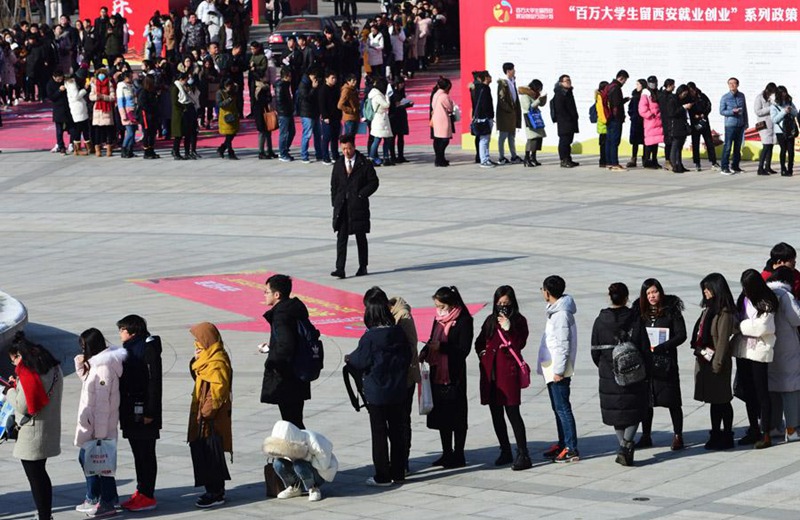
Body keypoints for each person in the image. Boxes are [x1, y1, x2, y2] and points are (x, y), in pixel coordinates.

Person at [345, 297, 411, 486]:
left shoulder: (370, 337)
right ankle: (399, 472)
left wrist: (349, 359)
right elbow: (408, 355)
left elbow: (361, 360)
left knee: (379, 433)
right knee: (397, 431)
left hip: (377, 392)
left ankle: (382, 475)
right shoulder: (398, 332)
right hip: (397, 389)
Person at [5, 332, 63, 520]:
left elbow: (21, 404)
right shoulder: (53, 368)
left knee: (36, 477)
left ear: (20, 355)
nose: (14, 365)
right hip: (49, 427)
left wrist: (9, 390)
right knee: (41, 474)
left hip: (32, 432)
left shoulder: (28, 373)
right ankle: (46, 515)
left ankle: (45, 516)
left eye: (13, 360)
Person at [590, 283, 650, 466]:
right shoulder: (635, 319)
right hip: (634, 372)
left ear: (610, 296)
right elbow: (644, 347)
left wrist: (606, 366)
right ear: (626, 297)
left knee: (617, 414)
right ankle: (626, 446)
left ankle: (623, 447)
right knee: (635, 411)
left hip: (609, 373)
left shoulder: (600, 320)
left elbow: (595, 352)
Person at [362, 286, 420, 474]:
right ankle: (397, 465)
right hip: (389, 379)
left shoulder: (403, 317)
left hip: (403, 378)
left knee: (401, 422)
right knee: (394, 424)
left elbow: (411, 347)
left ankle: (402, 462)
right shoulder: (383, 319)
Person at [474, 285, 531, 470]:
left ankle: (523, 453)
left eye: (506, 303)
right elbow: (479, 342)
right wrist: (483, 354)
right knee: (496, 414)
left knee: (513, 413)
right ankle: (505, 449)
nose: (502, 306)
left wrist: (509, 328)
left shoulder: (519, 321)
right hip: (491, 375)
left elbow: (519, 343)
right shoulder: (490, 320)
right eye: (499, 303)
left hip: (508, 374)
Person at [419, 286, 473, 469]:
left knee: (457, 416)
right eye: (437, 306)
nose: (439, 310)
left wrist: (441, 348)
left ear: (452, 304)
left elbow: (463, 350)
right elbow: (431, 339)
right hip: (437, 374)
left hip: (454, 375)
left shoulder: (464, 320)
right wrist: (425, 351)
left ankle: (459, 454)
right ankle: (446, 452)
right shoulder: (438, 319)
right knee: (442, 416)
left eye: (442, 306)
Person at [74, 328, 126, 518]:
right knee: (99, 463)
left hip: (98, 427)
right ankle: (103, 498)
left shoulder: (103, 367)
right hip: (94, 425)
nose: (82, 349)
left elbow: (103, 404)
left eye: (84, 346)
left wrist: (100, 434)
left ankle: (103, 501)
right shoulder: (98, 363)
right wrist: (81, 363)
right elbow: (88, 382)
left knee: (98, 463)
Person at [633, 279, 687, 451]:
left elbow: (681, 335)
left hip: (666, 362)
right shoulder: (640, 312)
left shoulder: (671, 310)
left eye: (654, 292)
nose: (652, 296)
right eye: (648, 293)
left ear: (660, 292)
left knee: (673, 400)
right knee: (646, 400)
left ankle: (678, 435)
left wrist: (663, 346)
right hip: (647, 363)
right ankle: (646, 435)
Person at [117, 314, 163, 512]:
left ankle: (148, 495)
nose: (120, 333)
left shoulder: (147, 348)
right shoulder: (129, 349)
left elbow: (154, 382)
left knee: (146, 453)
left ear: (132, 331)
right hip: (131, 411)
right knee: (138, 453)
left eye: (122, 330)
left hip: (144, 412)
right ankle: (141, 490)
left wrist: (150, 411)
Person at [187, 322, 232, 508]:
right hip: (202, 417)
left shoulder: (217, 361)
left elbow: (218, 390)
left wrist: (205, 413)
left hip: (211, 419)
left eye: (198, 339)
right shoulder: (205, 359)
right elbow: (198, 377)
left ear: (207, 340)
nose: (196, 343)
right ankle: (211, 489)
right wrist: (195, 360)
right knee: (203, 453)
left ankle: (216, 492)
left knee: (211, 454)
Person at [260, 274, 312, 428]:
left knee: (292, 422)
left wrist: (271, 362)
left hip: (287, 377)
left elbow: (286, 346)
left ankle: (301, 444)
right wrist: (271, 348)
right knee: (295, 419)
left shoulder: (281, 315)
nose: (264, 295)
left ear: (277, 295)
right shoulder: (293, 309)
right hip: (299, 372)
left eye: (266, 292)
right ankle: (300, 443)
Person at [691, 273, 736, 450]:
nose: (705, 292)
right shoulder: (708, 309)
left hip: (718, 362)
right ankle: (715, 433)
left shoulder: (724, 312)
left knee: (723, 400)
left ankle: (727, 434)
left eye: (708, 289)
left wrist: (717, 364)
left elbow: (723, 341)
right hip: (706, 360)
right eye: (704, 289)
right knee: (713, 400)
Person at [733, 269, 777, 449]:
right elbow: (736, 320)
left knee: (761, 392)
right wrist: (745, 326)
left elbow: (762, 328)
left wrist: (741, 326)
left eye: (747, 287)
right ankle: (753, 429)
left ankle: (766, 432)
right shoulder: (743, 299)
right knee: (748, 391)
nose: (745, 290)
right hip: (743, 351)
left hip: (759, 351)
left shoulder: (767, 301)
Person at [538, 275, 579, 462]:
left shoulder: (561, 314)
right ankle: (563, 443)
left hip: (558, 370)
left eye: (543, 289)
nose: (542, 292)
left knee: (563, 408)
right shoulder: (555, 310)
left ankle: (571, 448)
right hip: (552, 367)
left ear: (548, 292)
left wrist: (559, 371)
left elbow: (563, 344)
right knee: (557, 408)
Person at [330, 135, 379, 278]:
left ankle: (363, 266)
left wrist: (361, 195)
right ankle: (340, 268)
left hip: (358, 207)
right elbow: (334, 185)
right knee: (341, 238)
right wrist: (335, 202)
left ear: (354, 147)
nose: (346, 151)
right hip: (342, 207)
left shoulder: (364, 163)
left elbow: (374, 182)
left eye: (349, 148)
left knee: (360, 237)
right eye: (344, 149)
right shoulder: (339, 164)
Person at [765, 267, 800, 443]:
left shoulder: (765, 293)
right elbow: (796, 318)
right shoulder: (786, 296)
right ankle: (792, 429)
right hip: (787, 347)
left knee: (773, 389)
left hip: (770, 346)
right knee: (790, 389)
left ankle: (774, 426)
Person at [263, 420, 337, 501]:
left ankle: (313, 488)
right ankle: (294, 487)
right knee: (278, 463)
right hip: (299, 471)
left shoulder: (315, 441)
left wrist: (306, 456)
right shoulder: (291, 439)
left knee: (299, 464)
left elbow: (324, 465)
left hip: (319, 473)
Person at [719, 77, 748, 175]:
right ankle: (724, 167)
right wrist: (732, 111)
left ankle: (735, 166)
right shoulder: (725, 97)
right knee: (727, 146)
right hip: (730, 125)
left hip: (740, 124)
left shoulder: (741, 96)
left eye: (734, 83)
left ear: (737, 85)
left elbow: (745, 110)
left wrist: (746, 122)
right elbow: (721, 111)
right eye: (730, 83)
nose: (732, 85)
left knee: (737, 147)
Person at [687, 82, 718, 171]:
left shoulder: (702, 96)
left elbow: (709, 105)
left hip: (704, 121)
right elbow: (687, 110)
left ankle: (713, 162)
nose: (692, 92)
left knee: (709, 142)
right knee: (695, 143)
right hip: (694, 123)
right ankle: (697, 163)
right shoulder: (688, 98)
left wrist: (704, 114)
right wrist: (694, 115)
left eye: (692, 90)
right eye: (690, 91)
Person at [495, 62, 522, 164]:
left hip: (512, 114)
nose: (514, 71)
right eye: (513, 69)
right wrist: (509, 110)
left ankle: (514, 156)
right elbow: (501, 100)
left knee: (512, 136)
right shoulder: (503, 83)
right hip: (505, 115)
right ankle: (501, 157)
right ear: (508, 71)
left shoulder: (512, 82)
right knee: (503, 136)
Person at [552, 74, 579, 168]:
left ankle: (568, 159)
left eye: (569, 80)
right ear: (561, 83)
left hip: (570, 121)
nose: (569, 82)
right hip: (564, 122)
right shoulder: (560, 93)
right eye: (566, 80)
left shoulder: (568, 92)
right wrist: (569, 118)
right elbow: (560, 109)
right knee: (564, 141)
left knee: (568, 141)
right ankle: (563, 160)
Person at [604, 69, 629, 171]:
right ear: (621, 78)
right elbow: (616, 105)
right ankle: (615, 163)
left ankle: (609, 162)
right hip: (615, 119)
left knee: (609, 141)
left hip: (609, 118)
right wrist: (620, 117)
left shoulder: (609, 86)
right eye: (625, 80)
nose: (624, 83)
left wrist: (624, 100)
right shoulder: (616, 88)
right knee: (615, 141)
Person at [518, 78, 546, 167]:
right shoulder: (525, 96)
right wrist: (538, 100)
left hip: (536, 117)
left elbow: (541, 104)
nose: (539, 90)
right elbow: (528, 107)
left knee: (538, 138)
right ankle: (527, 158)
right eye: (539, 88)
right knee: (531, 139)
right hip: (529, 118)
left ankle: (533, 157)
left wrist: (543, 98)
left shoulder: (534, 94)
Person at [771, 85, 798, 176]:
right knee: (783, 149)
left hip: (790, 130)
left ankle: (790, 168)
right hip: (780, 131)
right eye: (782, 93)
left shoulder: (789, 102)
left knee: (791, 150)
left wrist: (791, 110)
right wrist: (784, 112)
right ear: (778, 94)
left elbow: (796, 113)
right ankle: (783, 169)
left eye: (785, 92)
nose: (784, 94)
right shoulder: (774, 105)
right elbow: (774, 119)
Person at [297, 70, 322, 164]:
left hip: (315, 113)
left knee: (318, 134)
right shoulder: (303, 84)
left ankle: (319, 154)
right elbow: (306, 98)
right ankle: (304, 155)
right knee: (307, 135)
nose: (315, 79)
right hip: (307, 113)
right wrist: (313, 88)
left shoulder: (314, 83)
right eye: (314, 77)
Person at [639, 75, 664, 169]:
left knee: (656, 142)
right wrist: (650, 115)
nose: (653, 84)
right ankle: (647, 160)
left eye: (654, 82)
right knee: (649, 142)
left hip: (658, 121)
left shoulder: (658, 93)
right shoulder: (645, 94)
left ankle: (654, 160)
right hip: (650, 122)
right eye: (651, 83)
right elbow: (642, 109)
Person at [665, 84, 692, 173]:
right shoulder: (672, 100)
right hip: (675, 126)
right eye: (684, 94)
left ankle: (679, 164)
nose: (684, 96)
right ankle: (674, 165)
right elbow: (672, 113)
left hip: (682, 125)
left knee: (680, 147)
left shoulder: (682, 100)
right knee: (675, 146)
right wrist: (683, 107)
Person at [471, 70, 494, 168]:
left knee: (485, 139)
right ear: (485, 78)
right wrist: (489, 116)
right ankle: (484, 160)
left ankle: (486, 158)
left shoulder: (477, 88)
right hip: (484, 117)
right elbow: (485, 104)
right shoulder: (484, 88)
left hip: (482, 117)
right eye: (489, 76)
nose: (491, 78)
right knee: (484, 140)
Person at [318, 70, 342, 165]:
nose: (334, 80)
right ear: (326, 79)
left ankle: (335, 155)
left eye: (335, 78)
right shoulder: (323, 90)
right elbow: (322, 104)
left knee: (335, 137)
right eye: (332, 78)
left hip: (336, 116)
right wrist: (325, 116)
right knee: (327, 137)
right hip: (327, 118)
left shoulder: (336, 89)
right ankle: (325, 156)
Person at [430, 77, 454, 167]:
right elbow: (450, 108)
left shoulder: (435, 94)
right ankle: (439, 159)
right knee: (444, 140)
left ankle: (439, 158)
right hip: (443, 119)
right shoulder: (444, 96)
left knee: (437, 139)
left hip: (436, 118)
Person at [368, 76, 393, 165]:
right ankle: (372, 158)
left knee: (385, 139)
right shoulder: (377, 95)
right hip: (380, 119)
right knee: (377, 139)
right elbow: (386, 105)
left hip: (381, 118)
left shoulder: (375, 93)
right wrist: (387, 96)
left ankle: (385, 157)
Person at [755, 82, 777, 176]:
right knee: (766, 145)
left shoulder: (772, 98)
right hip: (763, 125)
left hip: (772, 124)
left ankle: (768, 166)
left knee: (771, 145)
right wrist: (770, 108)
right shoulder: (759, 97)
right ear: (767, 90)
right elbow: (758, 111)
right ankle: (760, 168)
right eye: (771, 92)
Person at [65, 74, 91, 156]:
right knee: (79, 128)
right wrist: (84, 90)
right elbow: (76, 96)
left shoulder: (70, 83)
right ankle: (78, 148)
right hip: (78, 109)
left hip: (79, 109)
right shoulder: (72, 84)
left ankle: (87, 147)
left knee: (83, 128)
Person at [47, 68, 71, 154]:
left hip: (68, 108)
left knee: (72, 128)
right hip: (58, 109)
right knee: (59, 130)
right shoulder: (50, 84)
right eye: (58, 79)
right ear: (54, 77)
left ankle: (72, 144)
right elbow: (51, 97)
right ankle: (61, 146)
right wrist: (59, 91)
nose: (60, 80)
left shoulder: (66, 81)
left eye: (61, 78)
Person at [387, 77, 411, 164]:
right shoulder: (392, 92)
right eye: (400, 83)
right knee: (392, 137)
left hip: (401, 116)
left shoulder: (401, 92)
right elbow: (396, 105)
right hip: (394, 117)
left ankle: (401, 156)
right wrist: (407, 105)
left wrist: (407, 104)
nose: (402, 85)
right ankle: (392, 156)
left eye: (403, 83)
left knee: (401, 137)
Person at [216, 78, 240, 160]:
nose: (229, 87)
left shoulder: (233, 91)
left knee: (232, 134)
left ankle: (222, 148)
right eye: (228, 85)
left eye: (231, 85)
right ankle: (230, 152)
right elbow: (220, 104)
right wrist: (229, 99)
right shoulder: (219, 93)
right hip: (225, 116)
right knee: (229, 134)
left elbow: (237, 87)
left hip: (233, 114)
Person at [138, 74, 161, 159]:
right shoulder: (143, 91)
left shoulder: (153, 91)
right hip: (146, 115)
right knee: (147, 133)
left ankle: (151, 150)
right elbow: (142, 104)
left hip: (153, 114)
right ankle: (146, 151)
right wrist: (151, 108)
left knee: (153, 133)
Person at [253, 78, 277, 159]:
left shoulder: (266, 87)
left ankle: (269, 150)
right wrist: (268, 99)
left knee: (268, 131)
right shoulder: (258, 88)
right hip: (259, 112)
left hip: (266, 110)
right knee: (262, 132)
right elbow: (259, 100)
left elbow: (269, 98)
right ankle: (261, 152)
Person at [275, 67, 295, 161]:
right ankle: (282, 153)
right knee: (283, 133)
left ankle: (284, 149)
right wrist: (284, 110)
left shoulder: (286, 85)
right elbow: (279, 101)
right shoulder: (280, 85)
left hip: (288, 112)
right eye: (290, 76)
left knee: (292, 131)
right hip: (284, 113)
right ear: (286, 76)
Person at [627, 79, 645, 168]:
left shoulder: (646, 95)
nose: (637, 86)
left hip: (645, 121)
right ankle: (633, 158)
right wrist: (632, 116)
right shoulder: (634, 96)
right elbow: (630, 108)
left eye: (638, 84)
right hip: (635, 121)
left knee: (645, 141)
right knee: (635, 142)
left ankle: (646, 158)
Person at [338, 73, 360, 139]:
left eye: (355, 80)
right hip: (349, 118)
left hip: (355, 117)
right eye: (353, 81)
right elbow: (340, 105)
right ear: (348, 81)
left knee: (352, 137)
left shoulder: (353, 89)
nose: (355, 82)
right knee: (348, 137)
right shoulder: (346, 90)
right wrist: (350, 110)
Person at [594, 80, 609, 168]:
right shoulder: (600, 98)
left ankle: (604, 161)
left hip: (603, 124)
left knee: (604, 144)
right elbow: (602, 112)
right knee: (604, 145)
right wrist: (607, 121)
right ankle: (603, 161)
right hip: (603, 125)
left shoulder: (600, 97)